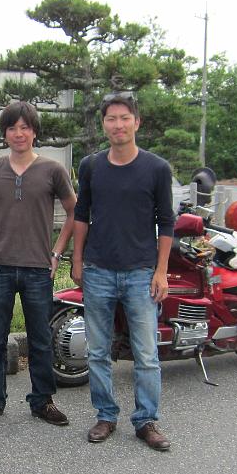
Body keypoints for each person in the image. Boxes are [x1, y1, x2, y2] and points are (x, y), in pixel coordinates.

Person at [71, 92, 175, 450]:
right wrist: (78, 259)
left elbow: (167, 222)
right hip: (98, 269)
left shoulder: (157, 168)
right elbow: (81, 214)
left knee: (146, 353)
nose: (118, 125)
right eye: (111, 119)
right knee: (98, 350)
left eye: (124, 118)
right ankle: (105, 414)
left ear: (137, 122)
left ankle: (146, 420)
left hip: (140, 273)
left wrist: (161, 272)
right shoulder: (91, 166)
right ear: (104, 124)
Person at [0, 101, 76, 426]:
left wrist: (57, 253)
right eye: (13, 127)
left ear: (34, 132)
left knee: (41, 339)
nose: (19, 133)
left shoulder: (52, 170)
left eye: (25, 127)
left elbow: (75, 211)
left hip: (37, 269)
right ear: (5, 133)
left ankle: (42, 401)